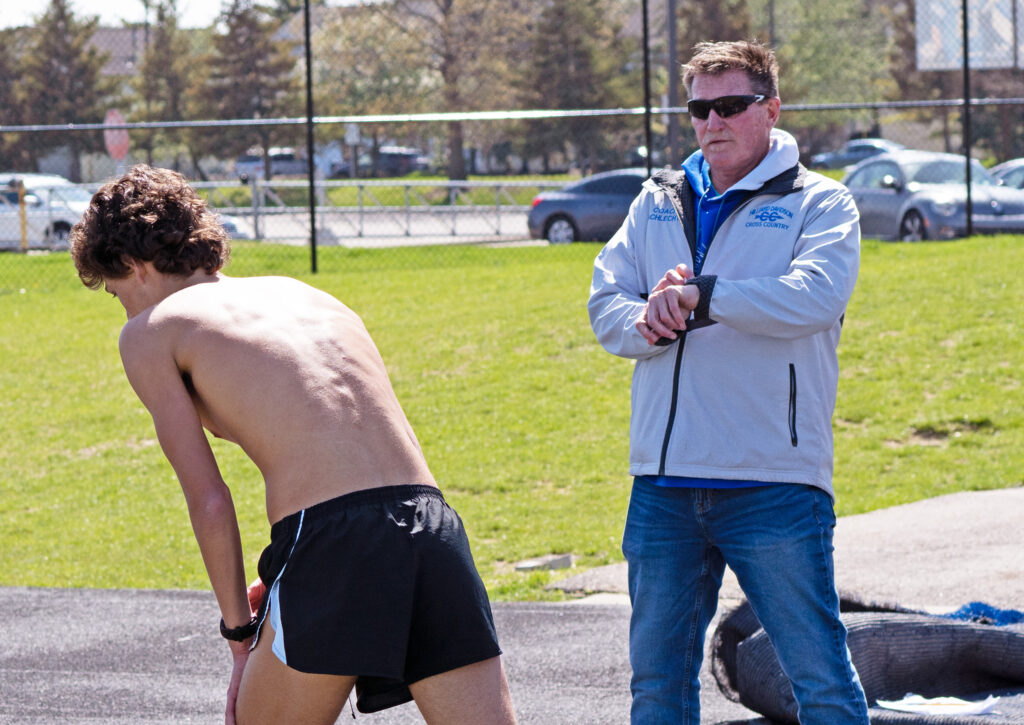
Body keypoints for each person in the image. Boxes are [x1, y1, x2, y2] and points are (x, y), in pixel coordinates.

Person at [70, 165, 517, 725]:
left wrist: (238, 633)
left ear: (131, 267)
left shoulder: (151, 330)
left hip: (330, 539)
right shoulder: (303, 294)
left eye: (116, 294)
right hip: (431, 527)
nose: (125, 309)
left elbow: (209, 500)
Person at [588, 40, 870, 724]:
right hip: (661, 487)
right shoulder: (655, 199)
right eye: (700, 109)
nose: (713, 121)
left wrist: (704, 297)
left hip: (773, 481)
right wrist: (649, 319)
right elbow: (607, 302)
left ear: (770, 109)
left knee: (821, 684)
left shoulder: (821, 204)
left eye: (731, 106)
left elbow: (814, 296)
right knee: (657, 687)